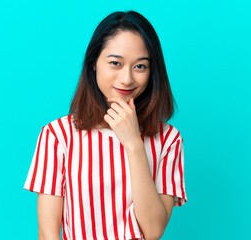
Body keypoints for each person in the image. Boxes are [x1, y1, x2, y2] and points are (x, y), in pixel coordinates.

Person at [23, 10, 187, 240]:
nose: (127, 78)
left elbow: (154, 231)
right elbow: (48, 233)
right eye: (115, 63)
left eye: (140, 66)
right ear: (93, 63)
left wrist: (133, 144)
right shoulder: (58, 136)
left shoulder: (169, 139)